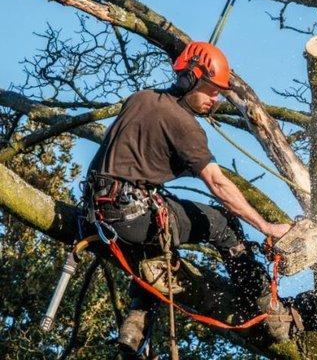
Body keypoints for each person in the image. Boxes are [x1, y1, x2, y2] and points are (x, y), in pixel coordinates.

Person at [85, 42, 298, 356]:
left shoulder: (140, 99)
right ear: (190, 80)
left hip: (98, 214)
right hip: (132, 215)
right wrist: (266, 226)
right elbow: (217, 182)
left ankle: (134, 324)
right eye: (211, 90)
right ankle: (267, 311)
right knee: (223, 223)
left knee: (156, 252)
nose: (214, 99)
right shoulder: (184, 126)